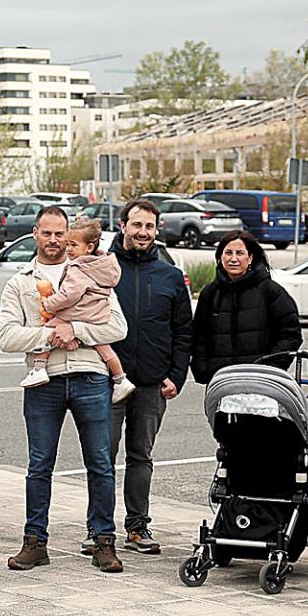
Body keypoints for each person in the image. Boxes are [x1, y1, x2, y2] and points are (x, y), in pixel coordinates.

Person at [0, 206, 129, 574]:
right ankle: (35, 541)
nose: (54, 240)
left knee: (100, 463)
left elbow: (118, 328)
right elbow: (7, 335)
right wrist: (53, 335)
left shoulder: (92, 269)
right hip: (44, 381)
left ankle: (103, 540)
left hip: (90, 376)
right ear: (35, 234)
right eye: (47, 233)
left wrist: (79, 332)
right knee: (39, 465)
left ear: (69, 235)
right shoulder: (21, 281)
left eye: (60, 234)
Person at [105, 199, 192, 555]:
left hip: (153, 384)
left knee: (141, 457)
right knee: (102, 457)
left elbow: (184, 331)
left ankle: (138, 527)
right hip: (107, 381)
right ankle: (100, 530)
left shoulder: (169, 276)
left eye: (149, 227)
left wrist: (176, 375)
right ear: (123, 225)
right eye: (136, 225)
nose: (143, 232)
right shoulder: (104, 269)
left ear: (156, 231)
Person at [26, 218, 127, 398]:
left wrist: (49, 304)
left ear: (88, 247)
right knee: (104, 347)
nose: (68, 249)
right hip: (97, 313)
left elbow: (69, 295)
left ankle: (39, 368)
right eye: (68, 244)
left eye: (73, 245)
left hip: (78, 311)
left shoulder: (79, 267)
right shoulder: (102, 264)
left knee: (49, 329)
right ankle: (120, 379)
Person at [189, 233, 302, 387]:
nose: (233, 259)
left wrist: (271, 369)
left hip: (261, 383)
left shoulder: (271, 291)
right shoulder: (210, 293)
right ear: (221, 257)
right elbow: (199, 336)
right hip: (221, 383)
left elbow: (290, 335)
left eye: (240, 253)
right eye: (228, 253)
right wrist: (203, 369)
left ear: (250, 258)